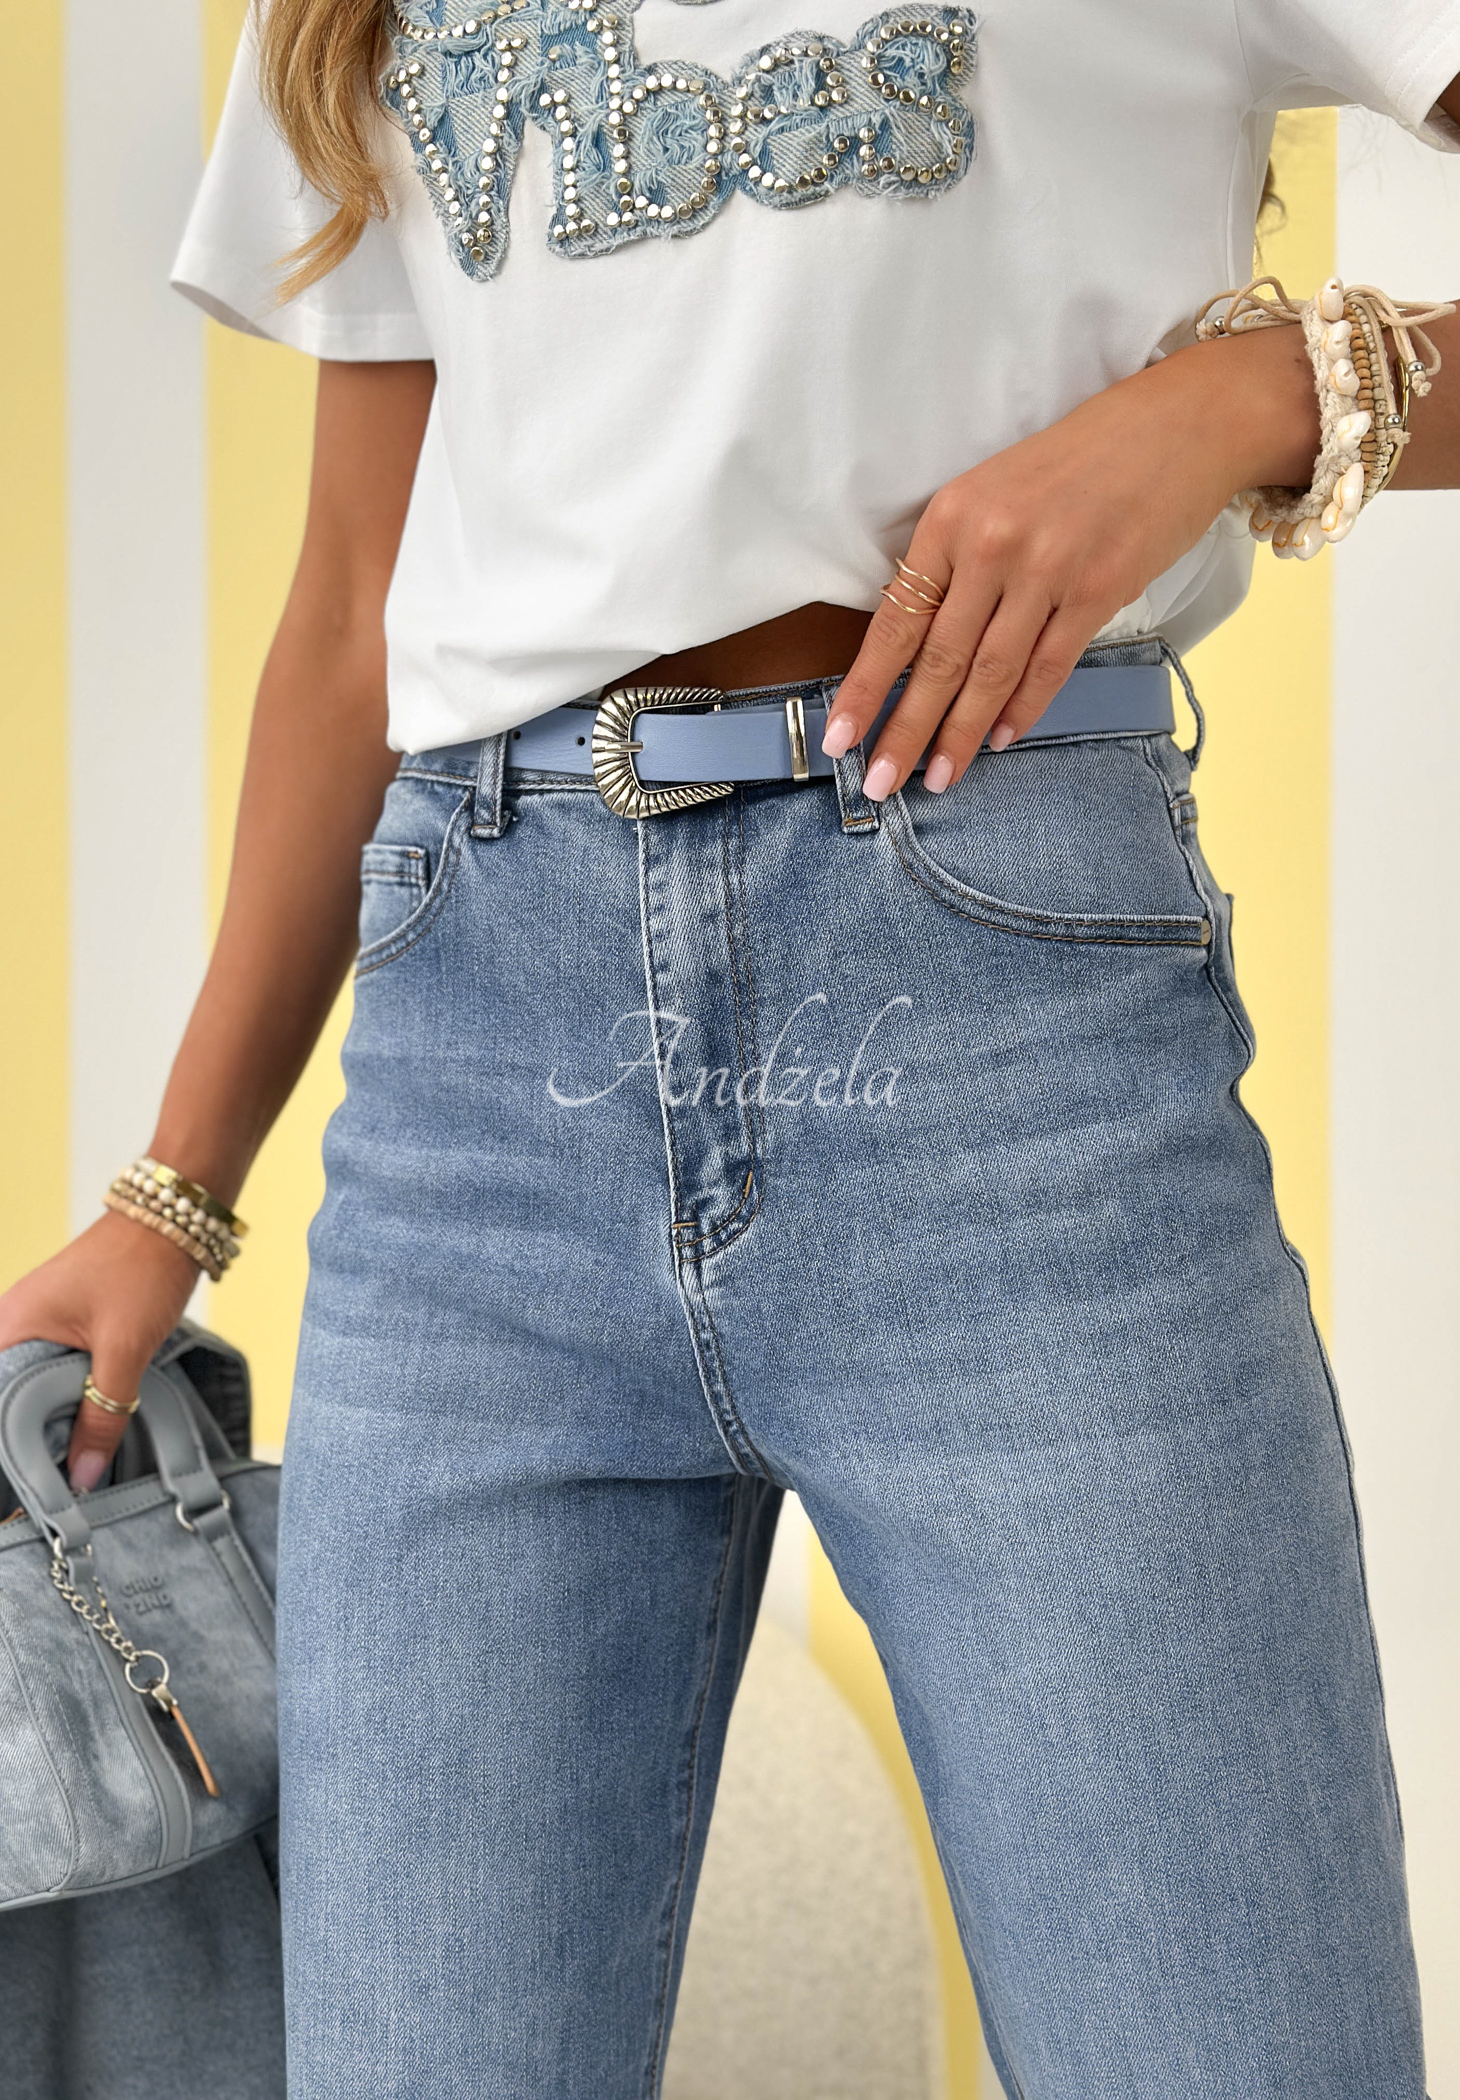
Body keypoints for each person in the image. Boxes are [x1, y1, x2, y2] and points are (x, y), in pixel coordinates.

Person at [4, 0, 1460, 2091]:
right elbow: (350, 605)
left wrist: (1249, 397)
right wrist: (174, 1191)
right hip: (478, 1096)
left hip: (1002, 1039)